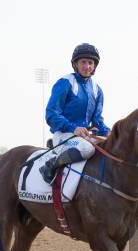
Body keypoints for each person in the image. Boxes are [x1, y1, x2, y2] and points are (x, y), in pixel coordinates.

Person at [39, 43, 111, 185]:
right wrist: (74, 128)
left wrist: (110, 133)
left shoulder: (97, 90)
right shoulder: (65, 83)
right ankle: (50, 165)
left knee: (111, 146)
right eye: (83, 62)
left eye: (90, 63)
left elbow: (97, 121)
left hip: (85, 136)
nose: (87, 66)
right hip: (64, 135)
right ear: (75, 64)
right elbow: (51, 114)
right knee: (86, 148)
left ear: (95, 66)